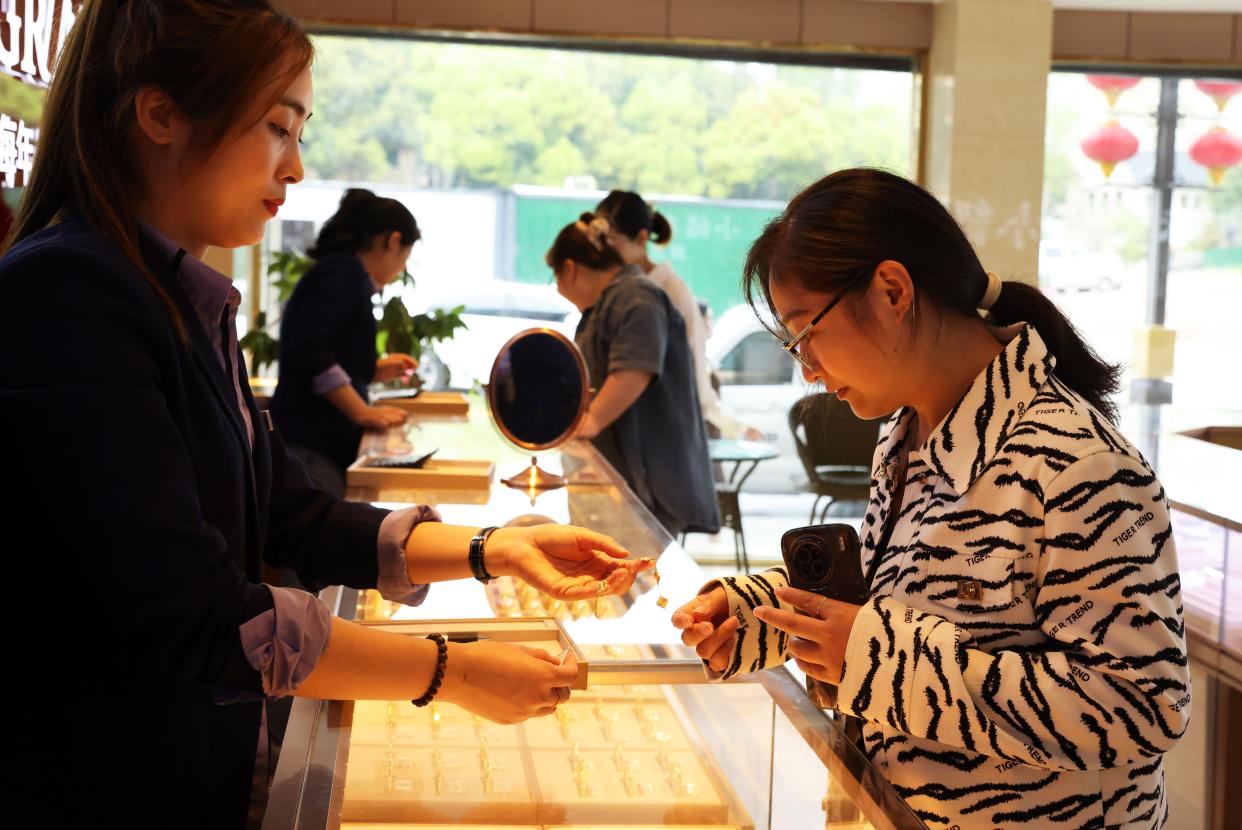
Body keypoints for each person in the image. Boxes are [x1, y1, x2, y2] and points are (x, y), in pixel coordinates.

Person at [0, 2, 649, 825]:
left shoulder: (178, 298)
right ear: (160, 112)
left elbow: (287, 516)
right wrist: (447, 670)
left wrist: (498, 551)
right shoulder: (68, 296)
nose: (296, 167)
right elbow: (194, 613)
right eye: (278, 127)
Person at [673, 169, 1189, 828]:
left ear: (892, 290)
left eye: (805, 334)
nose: (806, 367)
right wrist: (761, 616)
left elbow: (1143, 707)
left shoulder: (1075, 464)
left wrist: (875, 659)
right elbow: (900, 603)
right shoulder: (908, 430)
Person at [547, 214, 720, 538]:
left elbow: (635, 368)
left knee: (636, 576)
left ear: (569, 268)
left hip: (650, 484)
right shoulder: (611, 301)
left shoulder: (636, 296)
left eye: (554, 277)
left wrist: (591, 420)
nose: (557, 289)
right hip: (619, 478)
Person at [272, 187, 420, 494]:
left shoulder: (341, 274)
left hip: (313, 446)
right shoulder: (342, 274)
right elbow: (311, 350)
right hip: (311, 450)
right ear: (392, 241)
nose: (402, 267)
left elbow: (329, 355)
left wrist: (374, 368)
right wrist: (362, 412)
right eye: (405, 255)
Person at [595, 190, 763, 441]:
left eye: (614, 242)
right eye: (600, 242)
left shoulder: (670, 292)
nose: (605, 252)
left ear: (641, 238)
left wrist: (736, 428)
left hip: (662, 432)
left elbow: (696, 375)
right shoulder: (617, 289)